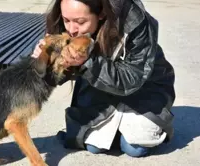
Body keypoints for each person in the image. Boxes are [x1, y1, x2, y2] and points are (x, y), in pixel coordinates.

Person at [31, 0, 176, 158]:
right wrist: (43, 63)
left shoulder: (135, 22)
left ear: (101, 13)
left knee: (134, 148)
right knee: (95, 147)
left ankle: (148, 125)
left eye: (80, 22)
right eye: (66, 20)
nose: (71, 29)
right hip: (100, 88)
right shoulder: (63, 25)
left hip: (143, 89)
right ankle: (114, 130)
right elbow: (55, 79)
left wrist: (86, 62)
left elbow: (131, 79)